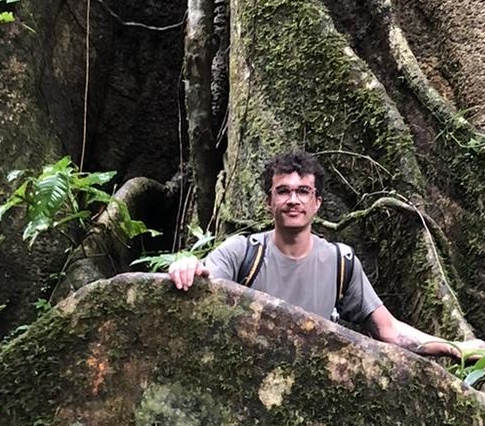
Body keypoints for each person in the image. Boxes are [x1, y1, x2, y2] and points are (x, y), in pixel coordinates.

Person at [167, 150, 463, 360]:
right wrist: (188, 266)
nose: (293, 200)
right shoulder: (242, 252)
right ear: (269, 201)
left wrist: (455, 347)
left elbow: (389, 331)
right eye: (283, 191)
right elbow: (204, 280)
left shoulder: (340, 263)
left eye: (303, 191)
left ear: (317, 202)